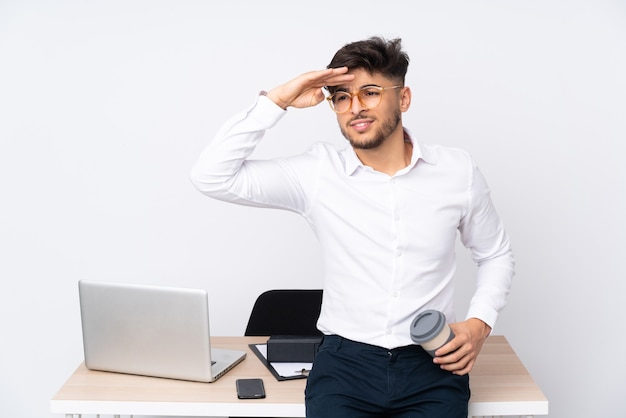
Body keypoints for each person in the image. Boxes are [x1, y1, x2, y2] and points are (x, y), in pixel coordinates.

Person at [190, 36, 514, 418]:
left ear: (404, 98)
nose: (355, 107)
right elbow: (211, 176)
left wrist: (479, 323)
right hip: (344, 367)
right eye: (342, 97)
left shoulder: (457, 171)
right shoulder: (317, 172)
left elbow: (495, 253)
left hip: (433, 365)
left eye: (370, 92)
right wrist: (276, 100)